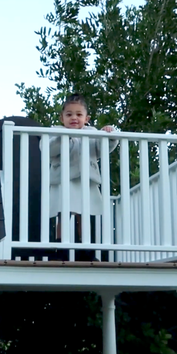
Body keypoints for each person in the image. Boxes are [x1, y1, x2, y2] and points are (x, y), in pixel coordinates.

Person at [42, 94, 119, 260]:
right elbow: (47, 149)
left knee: (84, 215)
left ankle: (86, 250)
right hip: (63, 181)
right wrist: (64, 137)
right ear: (62, 118)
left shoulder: (92, 133)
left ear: (86, 118)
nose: (74, 118)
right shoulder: (55, 132)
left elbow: (103, 148)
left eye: (78, 114)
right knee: (62, 213)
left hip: (85, 181)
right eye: (69, 115)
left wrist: (109, 134)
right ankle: (60, 249)